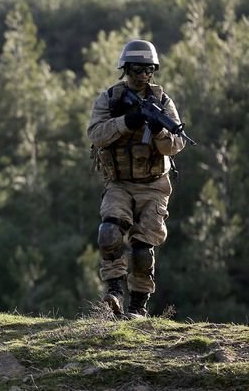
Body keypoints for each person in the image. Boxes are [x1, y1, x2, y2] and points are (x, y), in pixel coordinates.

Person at [87, 40, 187, 318]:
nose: (143, 75)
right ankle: (114, 292)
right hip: (119, 182)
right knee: (109, 232)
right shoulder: (110, 99)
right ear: (125, 69)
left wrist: (158, 131)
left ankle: (137, 307)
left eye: (148, 70)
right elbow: (95, 134)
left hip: (154, 185)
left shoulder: (163, 102)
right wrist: (126, 122)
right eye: (137, 70)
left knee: (143, 248)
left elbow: (176, 144)